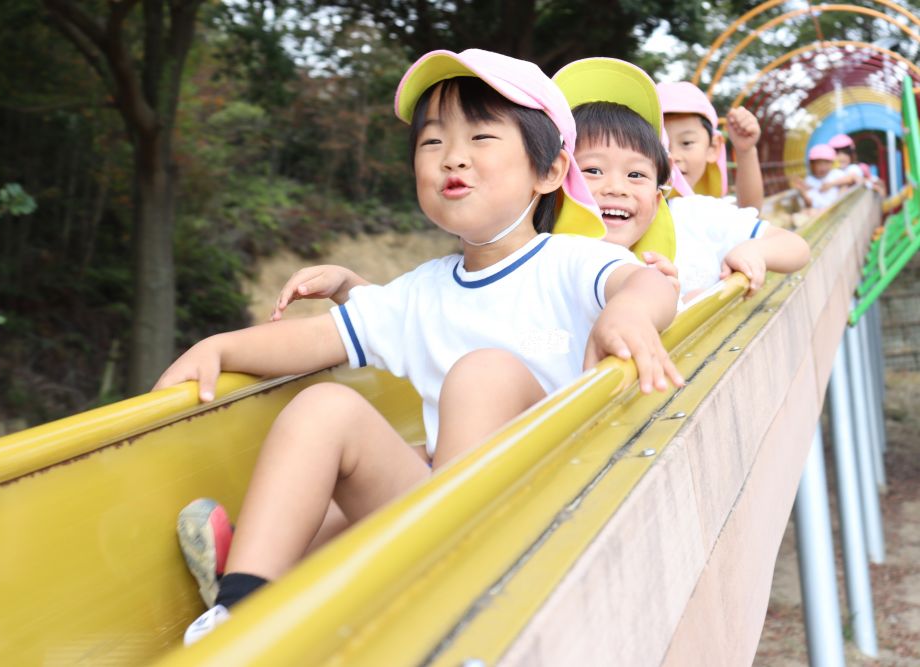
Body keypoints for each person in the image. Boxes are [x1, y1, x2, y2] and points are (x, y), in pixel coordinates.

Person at [157, 48, 683, 645]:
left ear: (550, 171)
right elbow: (316, 340)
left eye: (481, 136)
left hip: (544, 517)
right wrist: (221, 347)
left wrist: (629, 313)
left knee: (483, 374)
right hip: (438, 526)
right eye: (432, 143)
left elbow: (644, 282)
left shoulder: (572, 262)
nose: (452, 156)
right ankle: (243, 612)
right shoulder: (420, 293)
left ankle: (429, 586)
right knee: (323, 409)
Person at [274, 59, 809, 317]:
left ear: (664, 184)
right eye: (593, 171)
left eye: (636, 174)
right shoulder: (550, 249)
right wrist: (349, 286)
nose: (613, 189)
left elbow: (797, 245)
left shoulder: (693, 221)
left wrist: (751, 248)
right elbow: (439, 306)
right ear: (562, 177)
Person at [657, 81, 765, 211]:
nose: (673, 156)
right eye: (661, 145)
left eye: (686, 143)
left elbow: (750, 212)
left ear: (713, 148)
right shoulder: (635, 207)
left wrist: (746, 151)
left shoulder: (709, 210)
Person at [792, 144, 843, 213]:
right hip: (820, 210)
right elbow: (810, 202)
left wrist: (831, 184)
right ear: (812, 165)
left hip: (837, 207)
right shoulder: (809, 180)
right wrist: (802, 191)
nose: (823, 167)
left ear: (832, 163)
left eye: (826, 163)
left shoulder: (835, 174)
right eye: (819, 164)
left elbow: (850, 180)